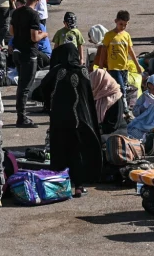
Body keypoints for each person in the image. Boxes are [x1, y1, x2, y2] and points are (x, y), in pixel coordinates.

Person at [36, 43, 104, 197]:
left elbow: (40, 90)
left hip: (59, 120)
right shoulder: (83, 72)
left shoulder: (57, 71)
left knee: (60, 151)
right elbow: (88, 97)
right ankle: (79, 187)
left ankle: (58, 187)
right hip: (78, 120)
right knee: (77, 152)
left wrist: (51, 103)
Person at [9, 0, 47, 128]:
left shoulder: (16, 13)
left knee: (21, 86)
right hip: (28, 54)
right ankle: (22, 117)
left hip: (17, 52)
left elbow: (11, 31)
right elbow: (34, 37)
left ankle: (21, 115)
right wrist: (44, 34)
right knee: (25, 87)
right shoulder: (34, 15)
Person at [95, 10, 142, 95]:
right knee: (121, 90)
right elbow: (103, 51)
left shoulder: (127, 35)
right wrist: (101, 66)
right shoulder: (109, 35)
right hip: (113, 68)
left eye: (125, 25)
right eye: (121, 24)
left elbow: (130, 51)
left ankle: (122, 106)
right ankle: (124, 106)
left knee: (124, 87)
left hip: (124, 68)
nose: (123, 27)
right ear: (116, 21)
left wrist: (137, 65)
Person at [90, 68, 126, 134]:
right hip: (100, 129)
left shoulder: (116, 97)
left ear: (102, 82)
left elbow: (114, 125)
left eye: (95, 83)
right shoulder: (97, 94)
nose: (92, 86)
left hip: (115, 132)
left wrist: (98, 131)